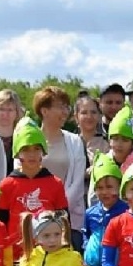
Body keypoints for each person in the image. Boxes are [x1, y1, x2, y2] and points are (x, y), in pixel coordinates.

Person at [30, 87, 88, 229]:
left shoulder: (75, 141)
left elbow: (77, 181)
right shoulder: (29, 139)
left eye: (66, 107)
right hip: (34, 220)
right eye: (60, 107)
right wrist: (42, 213)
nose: (65, 112)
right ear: (44, 111)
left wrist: (58, 210)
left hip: (69, 220)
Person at [0, 89, 24, 154]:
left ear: (17, 112)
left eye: (10, 110)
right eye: (1, 109)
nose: (5, 114)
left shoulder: (23, 138)